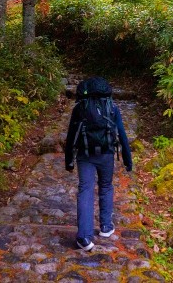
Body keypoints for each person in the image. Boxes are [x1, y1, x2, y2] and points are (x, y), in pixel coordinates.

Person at [64, 76, 133, 251]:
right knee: (106, 186)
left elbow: (71, 136)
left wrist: (69, 160)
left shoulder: (80, 108)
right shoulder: (112, 107)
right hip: (106, 155)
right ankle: (105, 227)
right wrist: (127, 160)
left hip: (85, 155)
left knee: (85, 190)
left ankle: (84, 237)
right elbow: (122, 135)